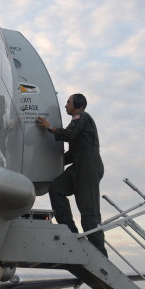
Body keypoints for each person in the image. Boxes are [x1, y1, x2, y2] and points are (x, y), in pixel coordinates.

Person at [36, 94, 107, 257]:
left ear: (78, 104)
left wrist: (50, 127)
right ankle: (70, 232)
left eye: (69, 102)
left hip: (88, 168)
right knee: (56, 188)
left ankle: (100, 254)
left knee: (89, 211)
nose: (66, 105)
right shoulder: (79, 119)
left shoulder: (81, 116)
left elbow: (68, 135)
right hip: (78, 167)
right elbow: (73, 152)